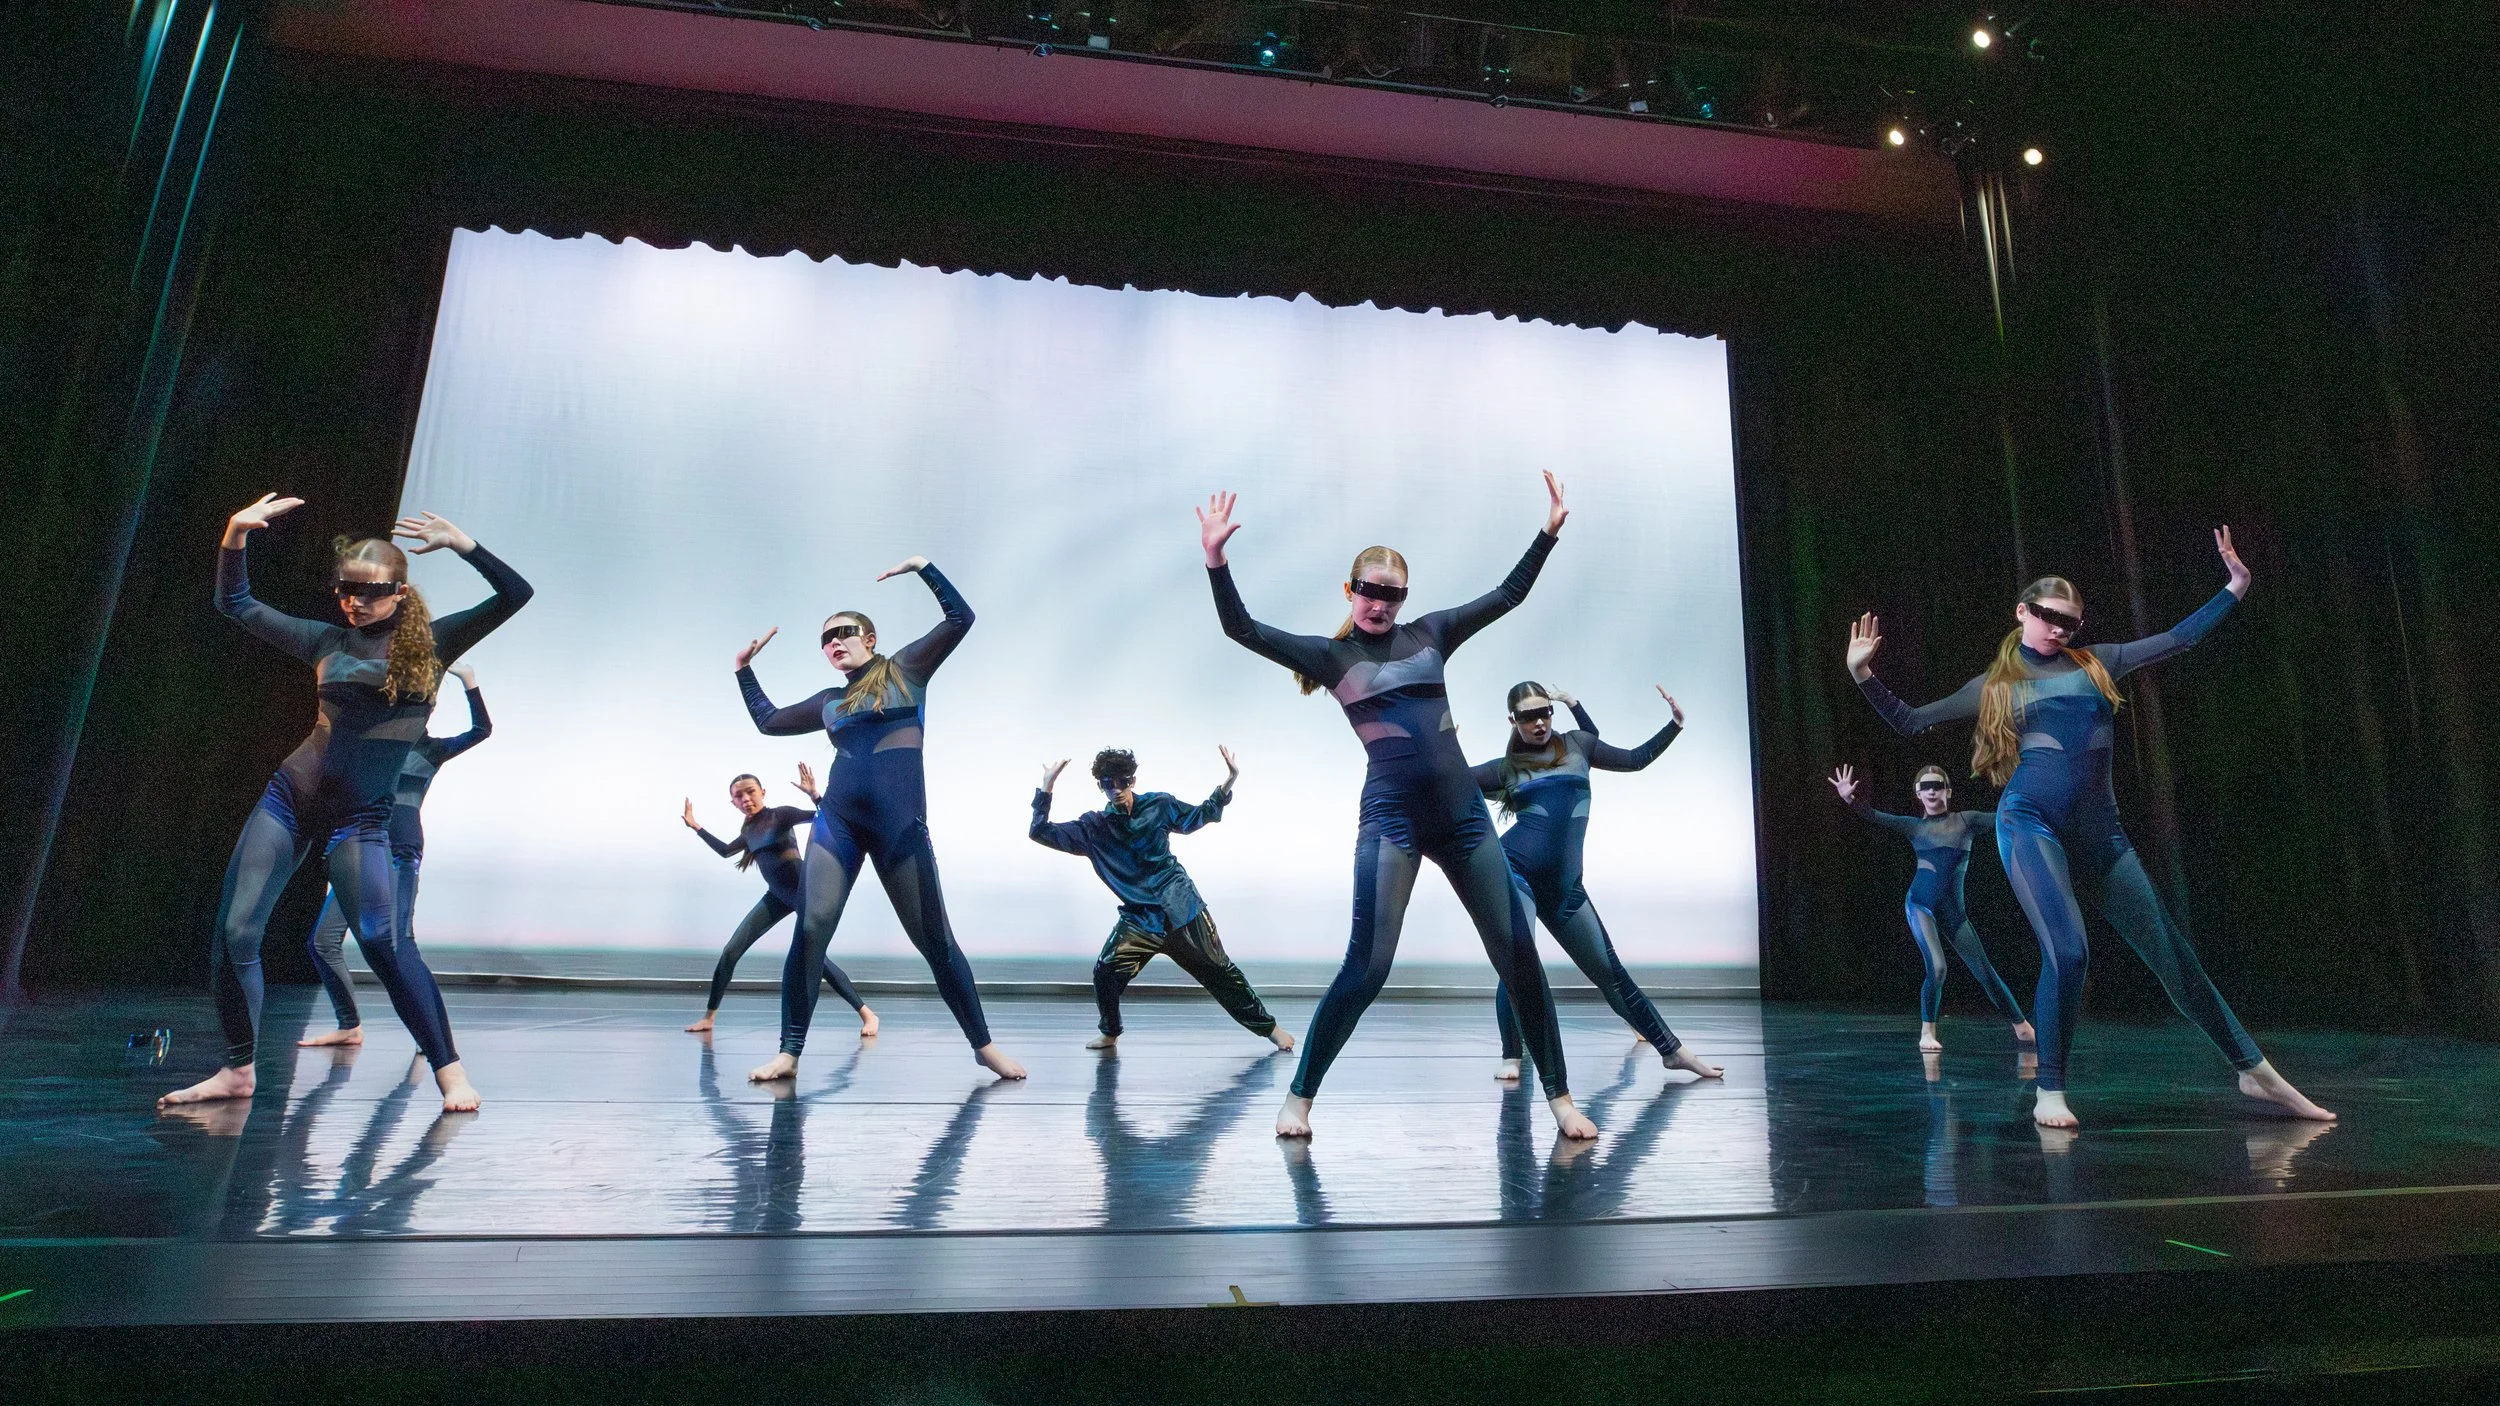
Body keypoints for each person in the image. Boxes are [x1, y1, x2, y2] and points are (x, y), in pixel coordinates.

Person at [1846, 526, 2332, 1128]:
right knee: (2069, 950)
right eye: (2049, 617)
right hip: (2029, 824)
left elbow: (2179, 638)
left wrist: (2234, 587)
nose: (2059, 629)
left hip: (2102, 833)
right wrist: (1863, 675)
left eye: (2070, 623)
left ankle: (2253, 1070)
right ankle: (2050, 1089)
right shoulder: (1995, 686)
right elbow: (1911, 722)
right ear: (2022, 612)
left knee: (2173, 958)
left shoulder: (2100, 662)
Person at [1199, 476, 1595, 1140]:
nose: (1380, 603)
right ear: (1349, 590)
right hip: (1393, 821)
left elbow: (1508, 594)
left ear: (1405, 598)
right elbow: (1241, 627)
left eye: (1392, 594)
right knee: (1368, 967)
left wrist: (1547, 533)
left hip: (1464, 820)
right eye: (1369, 590)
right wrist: (1216, 559)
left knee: (1519, 956)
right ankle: (1299, 1098)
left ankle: (1559, 1100)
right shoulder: (1331, 657)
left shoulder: (1432, 633)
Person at [163, 496, 531, 1113]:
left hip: (360, 819)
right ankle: (237, 1069)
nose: (353, 602)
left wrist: (464, 545)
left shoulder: (436, 642)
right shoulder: (326, 640)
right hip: (290, 797)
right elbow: (237, 603)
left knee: (383, 942)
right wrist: (234, 537)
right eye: (344, 591)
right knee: (236, 929)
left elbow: (515, 594)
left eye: (368, 592)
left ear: (400, 592)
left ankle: (449, 1071)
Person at [734, 555, 1024, 1083]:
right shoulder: (829, 701)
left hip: (900, 827)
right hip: (838, 823)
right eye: (825, 640)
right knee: (811, 929)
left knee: (935, 941)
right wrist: (743, 669)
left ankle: (983, 1045)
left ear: (869, 638)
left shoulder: (906, 669)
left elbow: (960, 619)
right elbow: (769, 721)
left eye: (843, 633)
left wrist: (923, 567)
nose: (833, 643)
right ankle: (789, 1052)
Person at [1472, 682, 1723, 1083]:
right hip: (1515, 874)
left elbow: (1635, 759)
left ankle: (1673, 1051)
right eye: (1528, 717)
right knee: (1518, 962)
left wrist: (1674, 725)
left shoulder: (1579, 746)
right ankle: (1512, 1053)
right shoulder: (1505, 769)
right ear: (1512, 720)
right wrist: (1442, 746)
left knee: (1610, 973)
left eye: (1544, 712)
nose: (1539, 723)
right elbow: (1447, 787)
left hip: (1566, 887)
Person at [1031, 746, 1291, 1052]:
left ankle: (1271, 1029)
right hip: (1140, 920)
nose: (1116, 789)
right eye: (1108, 783)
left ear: (1133, 780)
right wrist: (1047, 786)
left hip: (1182, 908)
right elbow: (1040, 831)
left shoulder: (1159, 805)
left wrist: (1229, 780)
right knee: (1106, 971)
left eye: (1122, 781)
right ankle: (1110, 1032)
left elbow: (1199, 815)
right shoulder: (1093, 828)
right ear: (1100, 786)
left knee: (1220, 971)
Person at [298, 662, 491, 1048]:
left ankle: (432, 1037)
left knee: (400, 947)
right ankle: (349, 1025)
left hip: (401, 853)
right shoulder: (372, 742)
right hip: (362, 850)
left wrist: (469, 681)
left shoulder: (432, 749)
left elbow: (481, 730)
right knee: (322, 941)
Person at [1825, 762, 2036, 1053]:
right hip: (1920, 905)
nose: (1932, 791)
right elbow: (1876, 816)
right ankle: (1927, 1032)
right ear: (1918, 794)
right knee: (1937, 968)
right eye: (1926, 787)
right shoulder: (1914, 826)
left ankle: (2022, 1028)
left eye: (1937, 786)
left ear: (1948, 791)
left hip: (1954, 912)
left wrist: (2027, 789)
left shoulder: (1967, 821)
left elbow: (2006, 816)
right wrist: (1850, 799)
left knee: (1985, 972)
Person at [681, 764, 878, 1038]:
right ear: (733, 802)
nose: (745, 799)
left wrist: (814, 794)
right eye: (738, 796)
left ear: (762, 792)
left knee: (816, 958)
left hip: (803, 892)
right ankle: (709, 1018)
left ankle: (868, 1014)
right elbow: (726, 851)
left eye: (750, 792)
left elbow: (825, 817)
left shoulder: (780, 815)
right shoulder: (748, 830)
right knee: (730, 951)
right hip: (776, 896)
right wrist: (696, 827)